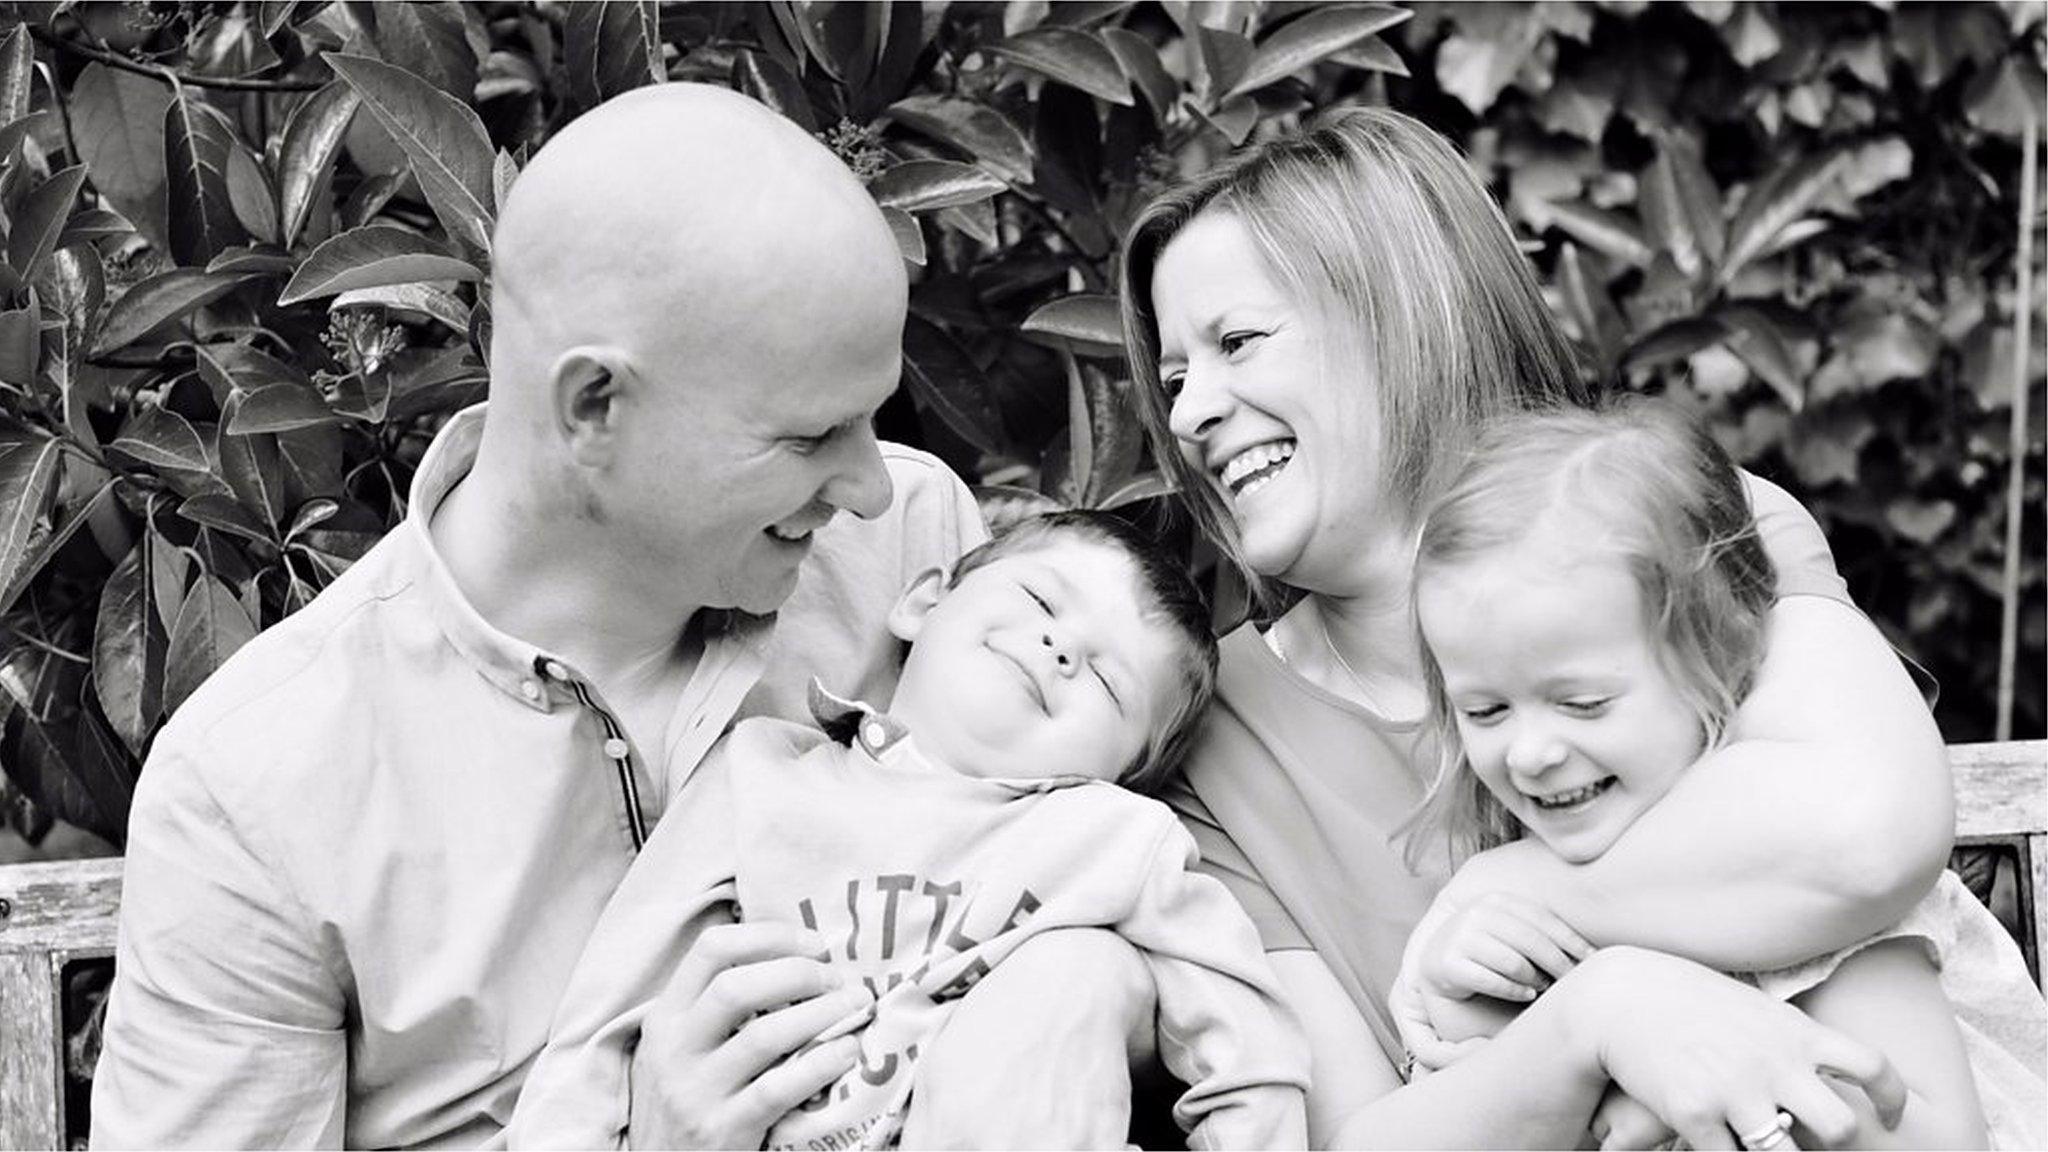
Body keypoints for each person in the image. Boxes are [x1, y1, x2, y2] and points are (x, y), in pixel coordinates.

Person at [89, 84, 991, 1147]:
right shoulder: (259, 784)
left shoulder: (915, 553)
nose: (871, 487)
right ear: (593, 406)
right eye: (809, 438)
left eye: (871, 418)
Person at [1117, 107, 1953, 1147]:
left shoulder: (1676, 529)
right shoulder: (1215, 736)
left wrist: (1507, 886)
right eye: (1175, 378)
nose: (1190, 414)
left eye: (1236, 342)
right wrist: (1597, 1021)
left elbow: (1862, 837)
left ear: (1401, 316)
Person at [510, 512, 1309, 1151]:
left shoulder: (1114, 838)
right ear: (924, 599)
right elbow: (611, 1008)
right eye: (1040, 602)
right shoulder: (760, 774)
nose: (1061, 648)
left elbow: (1245, 1043)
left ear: (1124, 770)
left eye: (1107, 678)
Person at [1400, 400, 2046, 1150]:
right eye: (1485, 714)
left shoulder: (1783, 892)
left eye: (1582, 703)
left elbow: (1943, 1140)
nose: (1529, 753)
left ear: (1714, 661)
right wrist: (1459, 992)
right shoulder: (1546, 889)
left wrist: (1718, 1091)